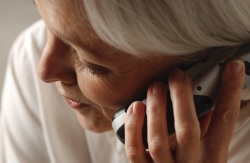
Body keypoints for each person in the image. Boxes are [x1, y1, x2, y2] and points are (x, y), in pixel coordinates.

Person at [1, 0, 250, 162]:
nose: (44, 71)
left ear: (206, 69)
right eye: (46, 23)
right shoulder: (31, 54)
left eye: (92, 65)